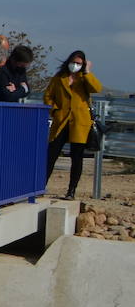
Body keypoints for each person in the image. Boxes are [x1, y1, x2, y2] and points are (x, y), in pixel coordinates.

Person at [44, 51, 103, 200]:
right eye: (73, 62)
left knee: (77, 158)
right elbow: (48, 96)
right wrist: (55, 110)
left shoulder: (84, 79)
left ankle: (71, 191)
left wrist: (87, 72)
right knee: (51, 154)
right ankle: (40, 186)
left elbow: (96, 88)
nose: (75, 65)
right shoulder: (58, 78)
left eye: (79, 63)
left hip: (79, 123)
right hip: (61, 121)